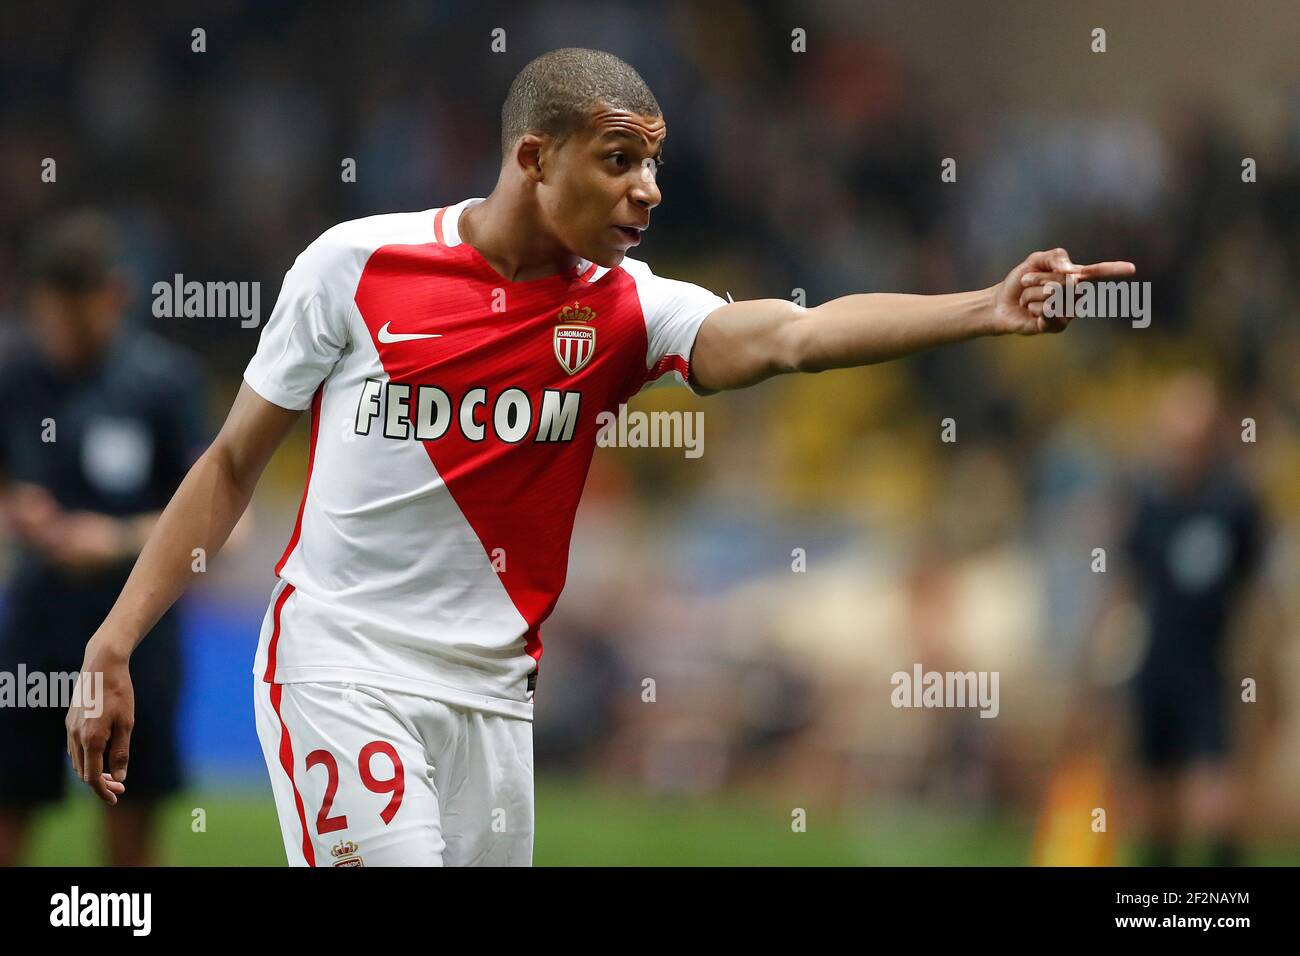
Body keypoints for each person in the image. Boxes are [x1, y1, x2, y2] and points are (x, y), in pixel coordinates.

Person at [64, 47, 1134, 866]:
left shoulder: (629, 310)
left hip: (493, 696)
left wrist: (981, 306)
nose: (649, 189)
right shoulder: (354, 266)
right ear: (535, 156)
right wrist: (115, 640)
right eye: (619, 159)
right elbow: (227, 466)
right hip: (340, 665)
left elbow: (796, 335)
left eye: (654, 163)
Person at [0, 211, 213, 865]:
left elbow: (218, 520)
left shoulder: (163, 384)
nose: (59, 333)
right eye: (49, 316)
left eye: (75, 316)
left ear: (113, 296)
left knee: (129, 819)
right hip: (38, 624)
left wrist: (116, 538)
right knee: (10, 801)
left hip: (134, 632)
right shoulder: (15, 376)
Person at [1121, 373, 1268, 866]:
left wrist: (1256, 673)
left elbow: (1256, 595)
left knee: (1216, 799)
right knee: (1154, 798)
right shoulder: (1148, 501)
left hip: (1211, 667)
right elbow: (1127, 585)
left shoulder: (1234, 504)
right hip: (1156, 664)